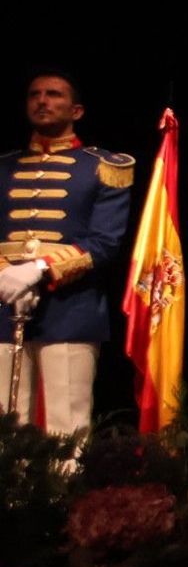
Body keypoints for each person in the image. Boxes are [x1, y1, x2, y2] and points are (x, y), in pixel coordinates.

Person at [0, 72, 134, 435]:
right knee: (5, 421)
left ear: (76, 110)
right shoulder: (5, 166)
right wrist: (5, 277)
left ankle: (65, 494)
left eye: (53, 94)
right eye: (35, 94)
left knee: (67, 428)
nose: (42, 100)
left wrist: (38, 270)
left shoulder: (105, 166)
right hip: (4, 307)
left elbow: (105, 242)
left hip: (70, 309)